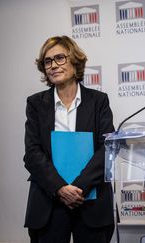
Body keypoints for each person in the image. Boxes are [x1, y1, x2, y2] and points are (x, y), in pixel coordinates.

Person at [23, 36, 114, 242]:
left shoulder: (99, 101)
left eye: (60, 58)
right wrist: (60, 189)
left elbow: (106, 148)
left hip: (90, 201)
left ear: (75, 61)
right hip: (50, 202)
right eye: (48, 61)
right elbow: (32, 153)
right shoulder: (36, 104)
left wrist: (78, 188)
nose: (53, 65)